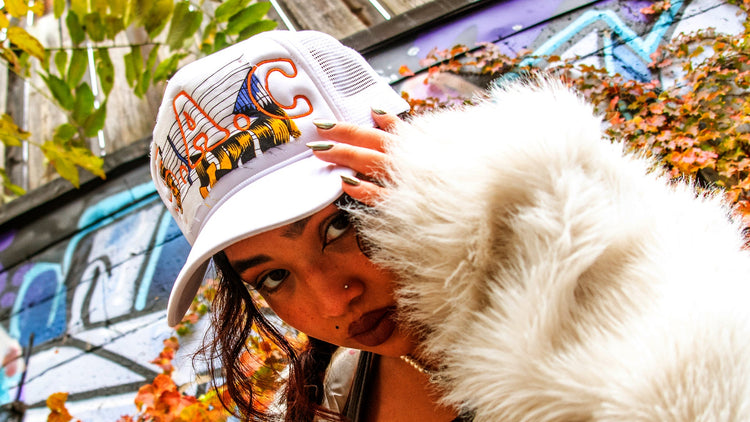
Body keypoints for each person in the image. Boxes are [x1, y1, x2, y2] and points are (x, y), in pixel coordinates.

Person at [152, 30, 750, 421]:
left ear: (417, 167)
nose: (334, 300)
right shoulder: (334, 398)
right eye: (273, 277)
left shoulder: (639, 286)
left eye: (339, 226)